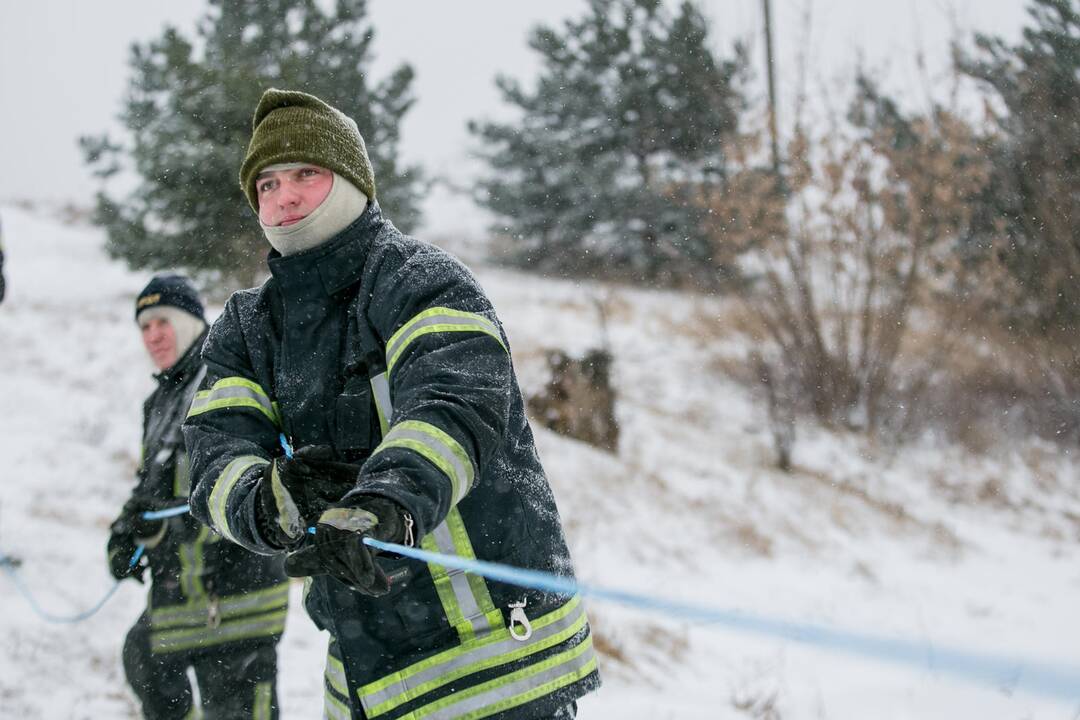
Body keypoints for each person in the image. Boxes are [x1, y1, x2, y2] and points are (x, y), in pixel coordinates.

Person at [183, 89, 601, 720]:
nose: (285, 197)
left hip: (496, 656)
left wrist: (387, 502)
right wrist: (276, 500)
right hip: (365, 675)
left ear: (351, 180)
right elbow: (215, 454)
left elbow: (453, 405)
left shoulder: (421, 280)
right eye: (266, 184)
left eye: (306, 174)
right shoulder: (247, 326)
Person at [108, 274, 289, 719]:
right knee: (144, 657)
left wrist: (162, 524)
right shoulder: (160, 400)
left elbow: (245, 480)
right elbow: (153, 487)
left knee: (236, 704)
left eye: (162, 322)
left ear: (190, 322)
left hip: (236, 589)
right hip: (184, 589)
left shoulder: (223, 375)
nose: (153, 336)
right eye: (144, 327)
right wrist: (128, 530)